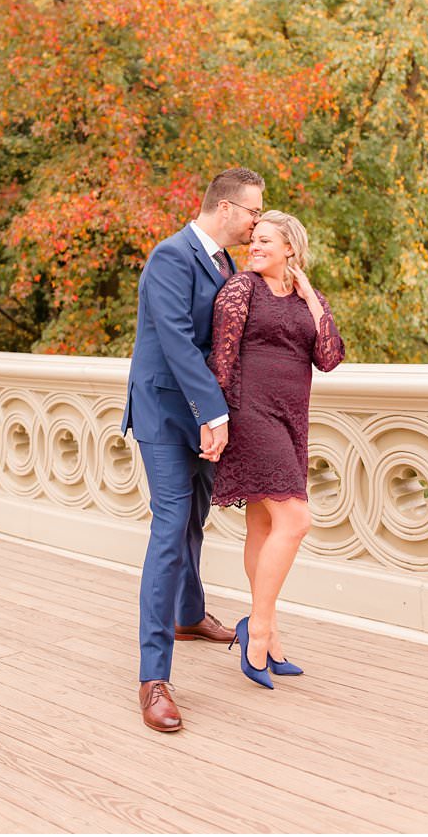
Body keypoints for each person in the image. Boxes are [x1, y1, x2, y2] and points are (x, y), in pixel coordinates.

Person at [121, 167, 264, 732]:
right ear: (225, 209)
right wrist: (215, 412)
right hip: (163, 410)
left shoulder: (224, 262)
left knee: (196, 519)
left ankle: (187, 614)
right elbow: (178, 342)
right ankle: (153, 677)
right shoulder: (170, 256)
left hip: (202, 415)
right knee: (171, 525)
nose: (257, 221)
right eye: (253, 211)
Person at [207, 210, 344, 688]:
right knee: (296, 520)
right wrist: (215, 420)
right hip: (250, 414)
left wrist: (311, 299)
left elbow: (329, 357)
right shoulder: (242, 288)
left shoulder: (309, 297)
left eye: (267, 241)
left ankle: (269, 633)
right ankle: (258, 629)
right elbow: (220, 360)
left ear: (291, 248)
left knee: (264, 524)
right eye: (254, 241)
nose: (256, 248)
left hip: (292, 420)